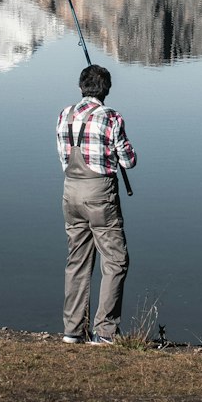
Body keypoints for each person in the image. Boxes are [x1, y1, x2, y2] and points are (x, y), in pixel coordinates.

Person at [56, 64, 137, 344]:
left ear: (81, 87)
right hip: (100, 194)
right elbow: (128, 161)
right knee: (115, 260)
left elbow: (63, 157)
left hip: (70, 192)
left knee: (77, 261)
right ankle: (104, 331)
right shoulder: (111, 116)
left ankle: (72, 331)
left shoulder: (64, 115)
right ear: (106, 90)